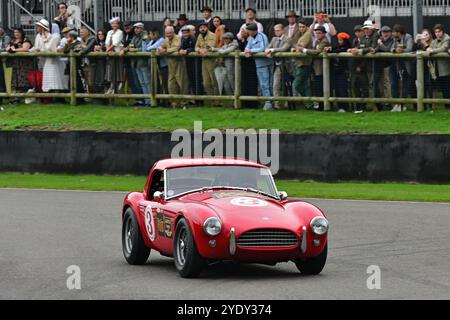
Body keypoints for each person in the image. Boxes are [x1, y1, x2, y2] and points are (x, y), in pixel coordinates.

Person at [348, 20, 378, 113]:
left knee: (373, 86)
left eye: (367, 28)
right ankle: (366, 106)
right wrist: (354, 50)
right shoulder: (364, 38)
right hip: (365, 66)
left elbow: (372, 48)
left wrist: (360, 51)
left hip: (374, 65)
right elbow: (366, 48)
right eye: (365, 29)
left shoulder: (375, 36)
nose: (366, 30)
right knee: (366, 86)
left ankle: (376, 105)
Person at [158, 26, 189, 108]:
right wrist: (161, 49)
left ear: (173, 32)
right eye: (167, 33)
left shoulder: (179, 38)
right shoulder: (166, 39)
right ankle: (175, 102)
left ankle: (184, 102)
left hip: (179, 63)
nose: (168, 35)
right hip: (170, 65)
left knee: (182, 83)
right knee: (171, 85)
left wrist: (166, 51)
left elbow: (177, 47)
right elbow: (161, 46)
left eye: (170, 33)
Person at [244, 23, 273, 111]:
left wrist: (251, 51)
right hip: (258, 64)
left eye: (249, 31)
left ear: (254, 31)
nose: (248, 32)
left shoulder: (262, 36)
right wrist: (247, 51)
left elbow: (263, 48)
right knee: (262, 84)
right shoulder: (251, 38)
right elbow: (247, 48)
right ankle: (267, 101)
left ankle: (269, 102)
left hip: (266, 63)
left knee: (267, 84)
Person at [303, 26, 331, 111]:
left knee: (320, 86)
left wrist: (304, 50)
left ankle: (322, 105)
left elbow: (316, 52)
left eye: (319, 33)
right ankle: (320, 104)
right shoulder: (318, 41)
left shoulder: (324, 41)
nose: (317, 35)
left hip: (321, 68)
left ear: (324, 33)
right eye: (316, 33)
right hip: (316, 67)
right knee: (317, 86)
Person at [266, 24, 292, 109]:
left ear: (282, 30)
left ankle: (287, 103)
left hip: (286, 66)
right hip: (276, 65)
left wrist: (272, 50)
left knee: (287, 85)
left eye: (278, 30)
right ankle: (276, 103)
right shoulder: (274, 39)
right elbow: (268, 47)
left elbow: (284, 49)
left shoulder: (288, 39)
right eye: (275, 31)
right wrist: (268, 51)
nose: (276, 32)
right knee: (275, 84)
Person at [390, 24, 414, 112]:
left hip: (407, 65)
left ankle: (402, 105)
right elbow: (391, 48)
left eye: (394, 32)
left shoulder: (408, 37)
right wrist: (394, 50)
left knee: (405, 86)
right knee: (394, 84)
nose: (392, 34)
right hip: (397, 64)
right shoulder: (394, 39)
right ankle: (396, 104)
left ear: (398, 32)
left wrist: (401, 50)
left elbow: (410, 48)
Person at [5, 28, 33, 103]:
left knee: (23, 79)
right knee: (15, 79)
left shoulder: (25, 39)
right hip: (15, 62)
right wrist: (9, 49)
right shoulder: (12, 40)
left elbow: (25, 48)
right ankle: (14, 97)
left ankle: (22, 96)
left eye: (18, 32)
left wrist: (14, 50)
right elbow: (8, 48)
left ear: (21, 33)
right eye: (15, 32)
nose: (16, 34)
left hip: (24, 63)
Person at [127, 22, 151, 107]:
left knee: (147, 82)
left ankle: (150, 101)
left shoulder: (146, 37)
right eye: (135, 28)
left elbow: (147, 48)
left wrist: (135, 50)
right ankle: (146, 100)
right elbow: (130, 46)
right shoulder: (134, 37)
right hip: (136, 63)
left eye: (138, 28)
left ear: (142, 29)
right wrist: (125, 49)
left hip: (143, 62)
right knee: (142, 83)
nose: (136, 30)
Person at [427, 24, 450, 110]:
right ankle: (446, 107)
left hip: (446, 69)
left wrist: (432, 50)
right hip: (437, 69)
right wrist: (429, 49)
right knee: (443, 89)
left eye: (439, 31)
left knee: (447, 88)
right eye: (436, 32)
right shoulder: (435, 40)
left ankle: (448, 107)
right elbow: (430, 48)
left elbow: (443, 48)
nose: (437, 33)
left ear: (443, 32)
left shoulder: (447, 38)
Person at [292, 20, 314, 110]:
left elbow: (300, 47)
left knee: (297, 84)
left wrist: (295, 48)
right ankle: (309, 104)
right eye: (300, 27)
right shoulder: (303, 35)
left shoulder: (307, 35)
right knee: (304, 84)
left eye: (303, 27)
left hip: (304, 63)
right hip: (301, 63)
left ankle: (309, 102)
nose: (301, 28)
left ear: (307, 27)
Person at [196, 22, 219, 102]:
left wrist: (204, 50)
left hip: (212, 60)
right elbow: (196, 47)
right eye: (201, 27)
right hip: (204, 61)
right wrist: (199, 50)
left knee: (214, 81)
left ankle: (217, 100)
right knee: (206, 82)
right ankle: (211, 100)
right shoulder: (199, 36)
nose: (202, 29)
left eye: (204, 27)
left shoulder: (212, 35)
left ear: (207, 28)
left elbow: (211, 46)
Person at [41, 23, 66, 96]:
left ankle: (57, 94)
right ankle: (51, 94)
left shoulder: (56, 36)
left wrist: (45, 41)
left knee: (56, 76)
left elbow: (50, 48)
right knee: (49, 76)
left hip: (55, 60)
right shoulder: (49, 36)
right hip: (49, 59)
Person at [211, 32, 239, 97]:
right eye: (224, 39)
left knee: (233, 83)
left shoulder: (234, 45)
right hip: (226, 67)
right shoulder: (226, 45)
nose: (225, 40)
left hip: (232, 68)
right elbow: (221, 49)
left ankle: (236, 99)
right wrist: (213, 49)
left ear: (230, 39)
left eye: (226, 39)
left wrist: (218, 51)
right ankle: (231, 100)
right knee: (226, 84)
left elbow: (224, 51)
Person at [179, 26, 203, 103]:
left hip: (195, 62)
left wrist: (187, 50)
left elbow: (194, 48)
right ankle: (193, 99)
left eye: (186, 33)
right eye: (183, 33)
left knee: (196, 81)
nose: (185, 34)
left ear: (189, 32)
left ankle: (199, 100)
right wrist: (181, 50)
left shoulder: (193, 39)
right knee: (190, 81)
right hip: (187, 62)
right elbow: (180, 47)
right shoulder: (182, 39)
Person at [374, 26, 395, 111]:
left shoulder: (392, 40)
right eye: (383, 32)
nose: (385, 34)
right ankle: (383, 102)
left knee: (387, 84)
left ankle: (389, 102)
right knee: (380, 85)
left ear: (390, 33)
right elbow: (377, 49)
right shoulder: (381, 40)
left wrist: (380, 44)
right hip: (380, 65)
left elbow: (387, 49)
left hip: (388, 65)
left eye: (387, 32)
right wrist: (375, 49)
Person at [146, 27, 169, 100]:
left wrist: (148, 48)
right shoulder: (151, 41)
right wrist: (144, 41)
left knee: (164, 82)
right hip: (155, 65)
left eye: (150, 34)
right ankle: (158, 99)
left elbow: (151, 48)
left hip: (163, 65)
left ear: (155, 34)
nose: (149, 36)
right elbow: (145, 49)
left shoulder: (161, 40)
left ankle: (166, 100)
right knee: (156, 83)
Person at [238, 28, 258, 109]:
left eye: (243, 32)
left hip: (251, 65)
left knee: (251, 83)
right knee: (244, 83)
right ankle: (245, 103)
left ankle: (252, 103)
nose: (242, 33)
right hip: (244, 65)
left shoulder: (251, 41)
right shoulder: (242, 41)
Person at [331, 32, 352, 112]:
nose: (339, 41)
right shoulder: (339, 47)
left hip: (343, 71)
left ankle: (344, 106)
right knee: (337, 89)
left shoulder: (347, 47)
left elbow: (340, 50)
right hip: (337, 71)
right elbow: (335, 49)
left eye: (340, 40)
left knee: (342, 88)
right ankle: (340, 106)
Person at [415, 29, 434, 110]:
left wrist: (424, 43)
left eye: (426, 34)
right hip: (421, 67)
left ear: (430, 35)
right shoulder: (420, 43)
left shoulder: (433, 42)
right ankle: (423, 105)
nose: (424, 36)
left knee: (429, 85)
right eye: (423, 35)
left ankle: (430, 105)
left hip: (431, 67)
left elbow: (430, 50)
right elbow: (412, 50)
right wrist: (416, 41)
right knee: (422, 86)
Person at [122, 20, 141, 98]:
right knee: (131, 82)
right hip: (127, 62)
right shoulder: (124, 35)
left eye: (128, 26)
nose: (127, 27)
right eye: (125, 26)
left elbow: (131, 46)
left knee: (138, 81)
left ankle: (142, 99)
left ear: (131, 26)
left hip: (135, 62)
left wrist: (125, 49)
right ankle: (138, 99)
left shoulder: (134, 34)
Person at [105, 17, 124, 94]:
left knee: (117, 71)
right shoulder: (109, 32)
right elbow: (106, 42)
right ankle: (111, 86)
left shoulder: (120, 32)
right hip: (110, 53)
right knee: (110, 71)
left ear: (118, 24)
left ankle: (116, 87)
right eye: (113, 23)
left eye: (116, 23)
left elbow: (115, 43)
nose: (114, 25)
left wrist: (107, 50)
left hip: (116, 53)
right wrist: (108, 49)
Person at [93, 29, 108, 99]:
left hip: (105, 62)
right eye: (99, 34)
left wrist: (100, 50)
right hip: (97, 62)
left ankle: (105, 97)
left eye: (101, 34)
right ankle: (98, 96)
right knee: (97, 78)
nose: (100, 35)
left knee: (104, 78)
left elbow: (106, 52)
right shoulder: (96, 43)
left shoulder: (107, 43)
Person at [0, 28, 10, 96]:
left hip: (5, 60)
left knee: (5, 78)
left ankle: (6, 94)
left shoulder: (6, 37)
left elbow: (6, 48)